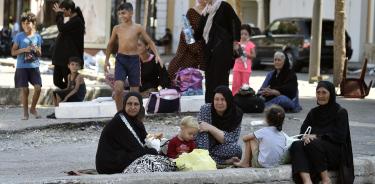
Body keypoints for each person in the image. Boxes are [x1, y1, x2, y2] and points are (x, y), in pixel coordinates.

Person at [290, 81, 354, 184]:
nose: (320, 96)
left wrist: (317, 136)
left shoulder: (341, 112)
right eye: (318, 92)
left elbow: (340, 136)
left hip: (334, 153)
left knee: (312, 142)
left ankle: (325, 179)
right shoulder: (313, 112)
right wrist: (306, 136)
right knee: (296, 145)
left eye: (324, 92)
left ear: (331, 94)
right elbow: (303, 131)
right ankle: (307, 181)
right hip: (314, 149)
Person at [96, 92, 175, 174]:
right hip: (110, 165)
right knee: (153, 157)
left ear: (140, 106)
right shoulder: (121, 120)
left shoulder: (135, 120)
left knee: (164, 146)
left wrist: (156, 139)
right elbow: (139, 148)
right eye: (129, 104)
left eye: (136, 104)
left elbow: (145, 140)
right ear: (124, 105)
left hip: (122, 158)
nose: (132, 107)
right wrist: (155, 150)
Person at [103, 2, 163, 111]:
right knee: (118, 87)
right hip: (121, 59)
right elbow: (110, 44)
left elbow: (149, 41)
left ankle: (134, 113)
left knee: (135, 91)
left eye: (123, 13)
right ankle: (120, 113)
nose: (121, 16)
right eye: (119, 14)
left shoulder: (138, 28)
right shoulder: (117, 28)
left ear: (131, 13)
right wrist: (106, 60)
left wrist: (157, 55)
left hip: (134, 60)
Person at [197, 0, 241, 103]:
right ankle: (210, 105)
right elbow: (199, 32)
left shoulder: (224, 6)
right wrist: (188, 32)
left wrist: (235, 42)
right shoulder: (206, 11)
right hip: (209, 50)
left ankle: (223, 105)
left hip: (223, 49)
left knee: (220, 78)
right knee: (210, 79)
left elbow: (235, 22)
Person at [195, 85, 243, 164]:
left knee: (237, 150)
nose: (219, 103)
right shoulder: (206, 109)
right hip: (204, 146)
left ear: (228, 100)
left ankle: (206, 160)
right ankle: (222, 161)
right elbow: (202, 131)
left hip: (221, 148)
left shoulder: (236, 114)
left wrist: (210, 128)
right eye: (216, 99)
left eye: (223, 99)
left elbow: (230, 140)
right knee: (203, 132)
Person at [11, 12, 42, 120]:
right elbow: (13, 52)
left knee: (38, 88)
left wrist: (36, 49)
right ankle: (25, 113)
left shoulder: (37, 36)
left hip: (34, 67)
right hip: (21, 67)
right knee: (25, 90)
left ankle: (33, 108)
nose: (25, 25)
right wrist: (24, 49)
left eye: (28, 23)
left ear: (33, 23)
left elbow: (40, 54)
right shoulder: (19, 36)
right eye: (23, 23)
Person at [167, 0, 206, 81]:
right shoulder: (192, 12)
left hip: (206, 52)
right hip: (189, 51)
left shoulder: (213, 12)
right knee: (181, 80)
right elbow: (186, 32)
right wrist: (196, 48)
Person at [52, 0, 85, 89]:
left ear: (69, 10)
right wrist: (59, 14)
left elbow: (61, 28)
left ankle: (72, 96)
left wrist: (59, 14)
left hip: (68, 59)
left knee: (68, 82)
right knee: (57, 81)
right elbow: (62, 28)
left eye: (63, 10)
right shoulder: (72, 21)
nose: (62, 13)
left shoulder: (77, 21)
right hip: (60, 58)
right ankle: (69, 92)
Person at [232, 24, 256, 95]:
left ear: (249, 35)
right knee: (236, 85)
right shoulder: (237, 43)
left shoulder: (250, 44)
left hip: (246, 69)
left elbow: (254, 55)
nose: (243, 36)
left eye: (245, 34)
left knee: (245, 86)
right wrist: (235, 49)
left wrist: (246, 54)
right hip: (237, 68)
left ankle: (244, 100)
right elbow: (234, 55)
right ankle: (234, 98)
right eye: (241, 34)